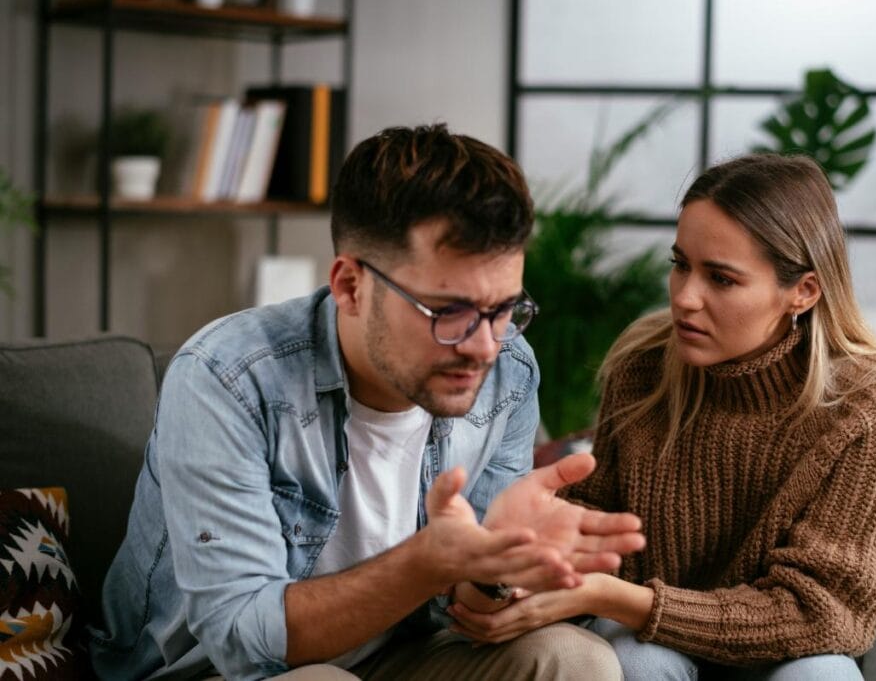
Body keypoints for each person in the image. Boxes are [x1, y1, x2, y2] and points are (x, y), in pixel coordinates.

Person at [88, 124, 645, 680]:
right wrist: (430, 563)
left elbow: (464, 602)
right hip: (218, 672)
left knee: (577, 661)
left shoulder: (509, 370)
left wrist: (496, 570)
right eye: (448, 311)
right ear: (351, 285)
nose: (484, 345)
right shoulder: (228, 379)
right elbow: (240, 639)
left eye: (504, 309)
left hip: (399, 653)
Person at [448, 153, 876, 680]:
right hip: (648, 643)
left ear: (802, 292)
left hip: (780, 655)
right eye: (680, 264)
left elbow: (822, 614)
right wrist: (511, 571)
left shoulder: (867, 403)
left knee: (819, 676)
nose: (685, 298)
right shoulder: (643, 368)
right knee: (635, 658)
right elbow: (594, 537)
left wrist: (625, 601)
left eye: (721, 279)